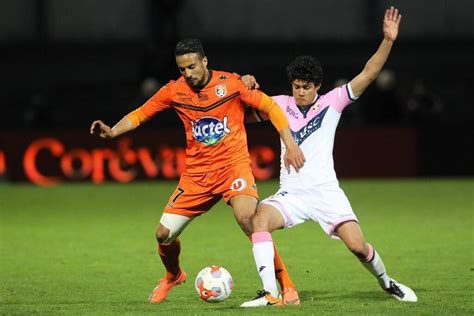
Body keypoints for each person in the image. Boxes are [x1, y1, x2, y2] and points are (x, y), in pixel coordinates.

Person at [90, 38, 305, 304]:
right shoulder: (174, 91)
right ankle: (173, 276)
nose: (188, 74)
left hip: (233, 168)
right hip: (196, 176)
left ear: (204, 61)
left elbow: (270, 107)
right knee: (163, 235)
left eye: (192, 66)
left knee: (250, 220)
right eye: (182, 69)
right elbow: (140, 114)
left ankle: (287, 286)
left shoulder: (233, 84)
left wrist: (290, 143)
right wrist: (112, 131)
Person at [240, 7, 417, 307]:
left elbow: (370, 72)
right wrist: (242, 85)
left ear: (318, 86)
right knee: (258, 221)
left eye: (306, 87)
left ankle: (388, 283)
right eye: (296, 86)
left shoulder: (333, 102)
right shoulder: (279, 104)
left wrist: (387, 40)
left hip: (325, 193)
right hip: (291, 195)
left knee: (359, 247)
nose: (300, 92)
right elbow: (242, 114)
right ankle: (271, 294)